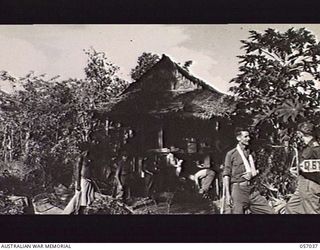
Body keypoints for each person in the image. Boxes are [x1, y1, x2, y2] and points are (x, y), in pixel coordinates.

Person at [222, 127, 274, 214]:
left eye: (248, 136)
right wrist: (228, 195)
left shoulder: (250, 153)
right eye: (245, 137)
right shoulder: (231, 154)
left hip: (252, 190)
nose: (248, 139)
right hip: (238, 190)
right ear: (238, 138)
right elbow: (226, 175)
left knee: (270, 212)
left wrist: (253, 174)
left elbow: (256, 170)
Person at [286, 122, 320, 214]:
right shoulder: (308, 147)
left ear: (300, 134)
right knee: (292, 208)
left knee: (311, 211)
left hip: (310, 184)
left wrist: (301, 169)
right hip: (303, 182)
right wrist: (298, 169)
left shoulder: (315, 148)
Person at [63, 143, 95, 215]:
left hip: (88, 181)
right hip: (82, 181)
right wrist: (78, 184)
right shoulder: (80, 158)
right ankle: (75, 212)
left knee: (88, 200)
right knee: (81, 201)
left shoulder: (88, 158)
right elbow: (77, 171)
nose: (87, 152)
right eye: (86, 151)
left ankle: (83, 212)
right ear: (83, 150)